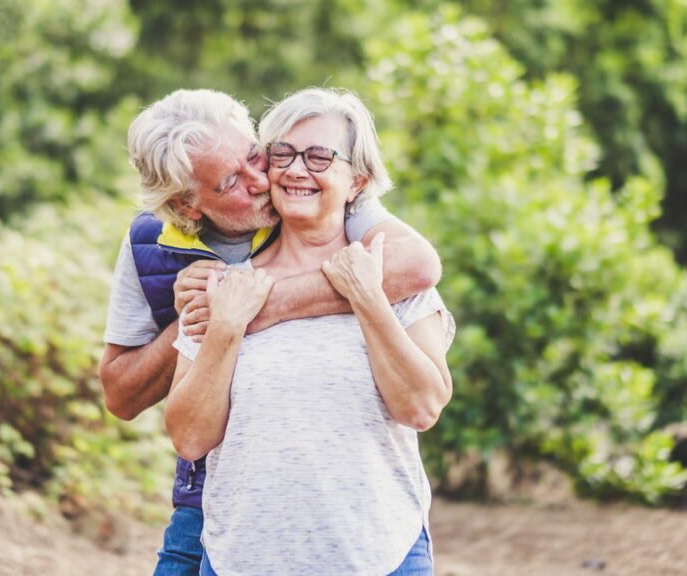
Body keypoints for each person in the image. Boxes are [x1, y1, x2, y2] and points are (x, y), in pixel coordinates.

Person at [100, 88, 443, 575]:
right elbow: (129, 399)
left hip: (372, 537)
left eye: (256, 155)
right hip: (217, 512)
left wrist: (262, 305)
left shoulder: (344, 218)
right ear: (188, 205)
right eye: (231, 182)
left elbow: (419, 266)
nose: (266, 178)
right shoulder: (153, 249)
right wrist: (207, 317)